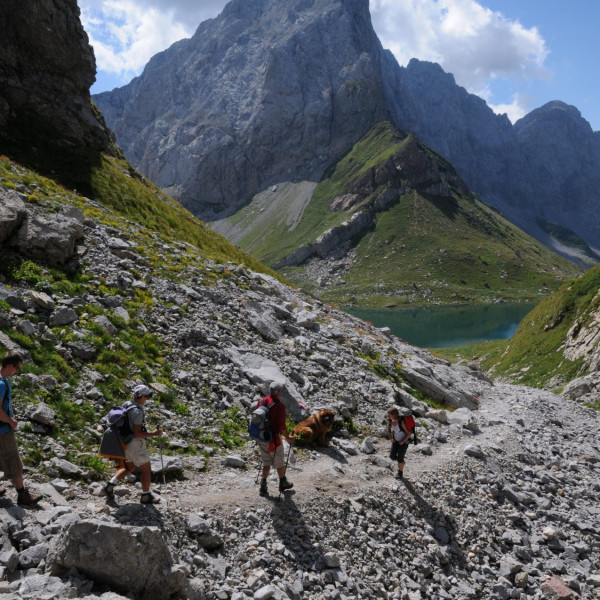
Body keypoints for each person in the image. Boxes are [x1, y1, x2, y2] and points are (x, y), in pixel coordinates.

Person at [103, 384, 163, 504]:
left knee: (129, 467)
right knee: (146, 469)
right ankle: (146, 496)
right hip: (135, 444)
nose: (147, 399)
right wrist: (154, 434)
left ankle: (109, 486)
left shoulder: (126, 404)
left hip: (123, 442)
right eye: (146, 396)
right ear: (141, 396)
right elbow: (137, 433)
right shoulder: (137, 411)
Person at [0, 351, 42, 506]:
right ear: (10, 366)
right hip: (3, 431)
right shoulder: (2, 384)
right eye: (17, 368)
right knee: (14, 461)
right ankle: (23, 496)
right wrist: (10, 421)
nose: (17, 371)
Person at [256, 381, 295, 497]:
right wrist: (288, 438)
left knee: (266, 461)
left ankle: (263, 485)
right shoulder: (279, 406)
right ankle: (283, 482)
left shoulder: (262, 401)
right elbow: (282, 426)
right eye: (280, 391)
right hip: (273, 439)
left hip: (261, 436)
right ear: (278, 392)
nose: (281, 393)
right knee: (279, 460)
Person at [387, 407, 412, 479]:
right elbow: (389, 429)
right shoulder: (390, 421)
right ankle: (401, 462)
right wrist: (391, 438)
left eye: (389, 415)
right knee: (392, 456)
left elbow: (409, 433)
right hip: (396, 441)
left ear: (394, 415)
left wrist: (403, 441)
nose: (388, 416)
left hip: (404, 442)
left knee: (400, 458)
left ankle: (400, 473)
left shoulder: (401, 422)